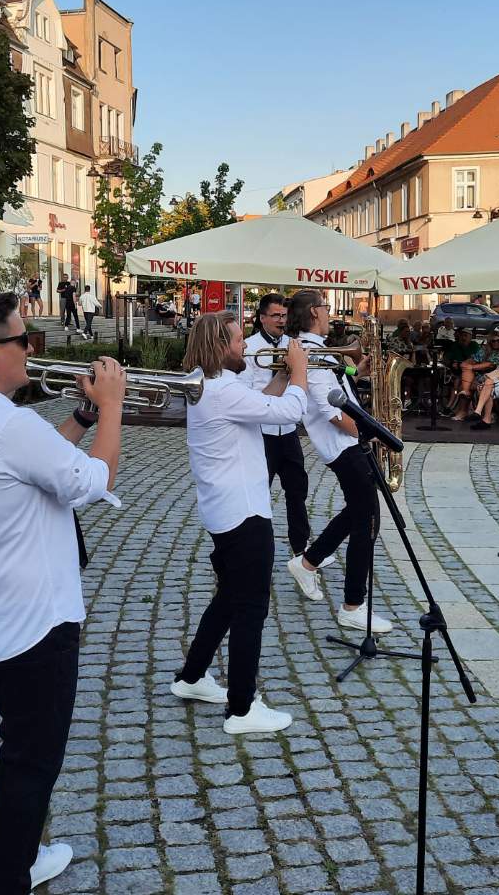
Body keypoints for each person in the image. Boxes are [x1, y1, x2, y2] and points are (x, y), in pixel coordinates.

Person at [0, 293, 126, 892]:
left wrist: (84, 418)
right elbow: (93, 480)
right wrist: (113, 409)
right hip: (37, 620)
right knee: (32, 763)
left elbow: (35, 464)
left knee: (23, 745)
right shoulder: (6, 424)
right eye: (23, 341)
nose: (31, 351)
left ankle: (25, 857)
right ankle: (9, 878)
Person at [172, 310, 309, 735]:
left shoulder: (208, 384)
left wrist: (285, 374)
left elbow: (265, 404)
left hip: (225, 510)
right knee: (250, 608)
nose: (245, 349)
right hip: (245, 514)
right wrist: (301, 372)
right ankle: (242, 709)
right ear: (220, 347)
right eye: (237, 342)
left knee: (230, 598)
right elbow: (290, 410)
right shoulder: (223, 390)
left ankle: (192, 677)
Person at [283, 289, 389, 633]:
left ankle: (308, 562)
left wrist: (356, 372)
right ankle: (352, 606)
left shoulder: (319, 349)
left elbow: (335, 389)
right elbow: (329, 409)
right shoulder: (309, 351)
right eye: (326, 308)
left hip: (346, 440)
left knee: (358, 512)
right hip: (342, 443)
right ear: (315, 311)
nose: (330, 313)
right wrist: (366, 430)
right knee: (367, 522)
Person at [239, 293, 312, 558]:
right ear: (262, 318)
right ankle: (255, 550)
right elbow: (249, 397)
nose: (282, 321)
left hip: (288, 430)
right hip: (262, 433)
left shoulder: (294, 345)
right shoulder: (249, 348)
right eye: (276, 316)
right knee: (258, 494)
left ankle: (301, 549)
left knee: (297, 492)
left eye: (284, 316)